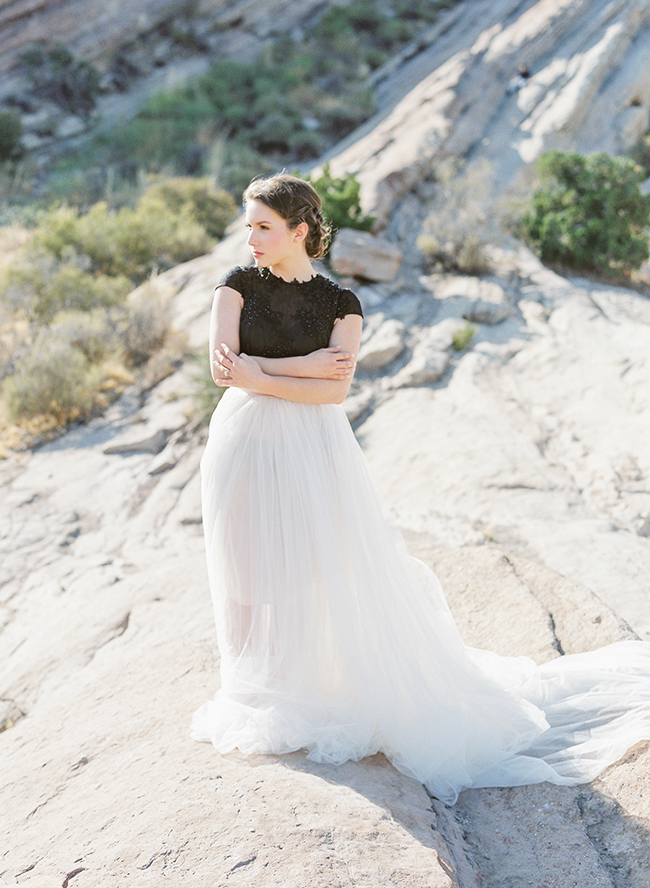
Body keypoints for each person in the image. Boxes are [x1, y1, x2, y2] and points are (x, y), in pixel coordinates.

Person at [192, 172, 650, 806]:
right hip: (241, 440)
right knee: (244, 565)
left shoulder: (342, 303)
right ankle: (249, 690)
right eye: (249, 226)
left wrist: (259, 370)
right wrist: (293, 368)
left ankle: (305, 685)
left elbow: (334, 390)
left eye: (263, 226)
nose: (252, 238)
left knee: (316, 564)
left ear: (299, 231)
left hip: (316, 446)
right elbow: (225, 371)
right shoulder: (234, 287)